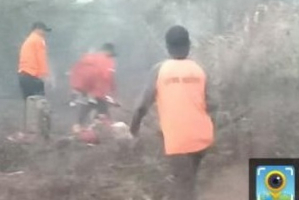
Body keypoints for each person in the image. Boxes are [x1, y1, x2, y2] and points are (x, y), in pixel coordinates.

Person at [129, 25, 216, 200]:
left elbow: (141, 107)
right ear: (189, 45)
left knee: (184, 187)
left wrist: (133, 130)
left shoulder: (159, 70)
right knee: (187, 180)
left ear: (167, 47)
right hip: (202, 137)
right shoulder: (199, 70)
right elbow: (213, 104)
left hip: (178, 141)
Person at [10, 21, 51, 142]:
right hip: (33, 76)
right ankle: (42, 133)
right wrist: (44, 76)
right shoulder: (38, 40)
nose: (44, 34)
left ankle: (31, 132)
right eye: (44, 30)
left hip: (23, 74)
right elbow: (41, 59)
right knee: (40, 105)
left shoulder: (28, 41)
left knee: (29, 105)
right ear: (38, 29)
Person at [69, 43, 118, 133]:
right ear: (109, 52)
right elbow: (108, 77)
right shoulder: (107, 61)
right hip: (97, 91)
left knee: (85, 110)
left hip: (86, 89)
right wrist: (112, 91)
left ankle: (77, 129)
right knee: (104, 112)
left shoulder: (91, 58)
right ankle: (108, 131)